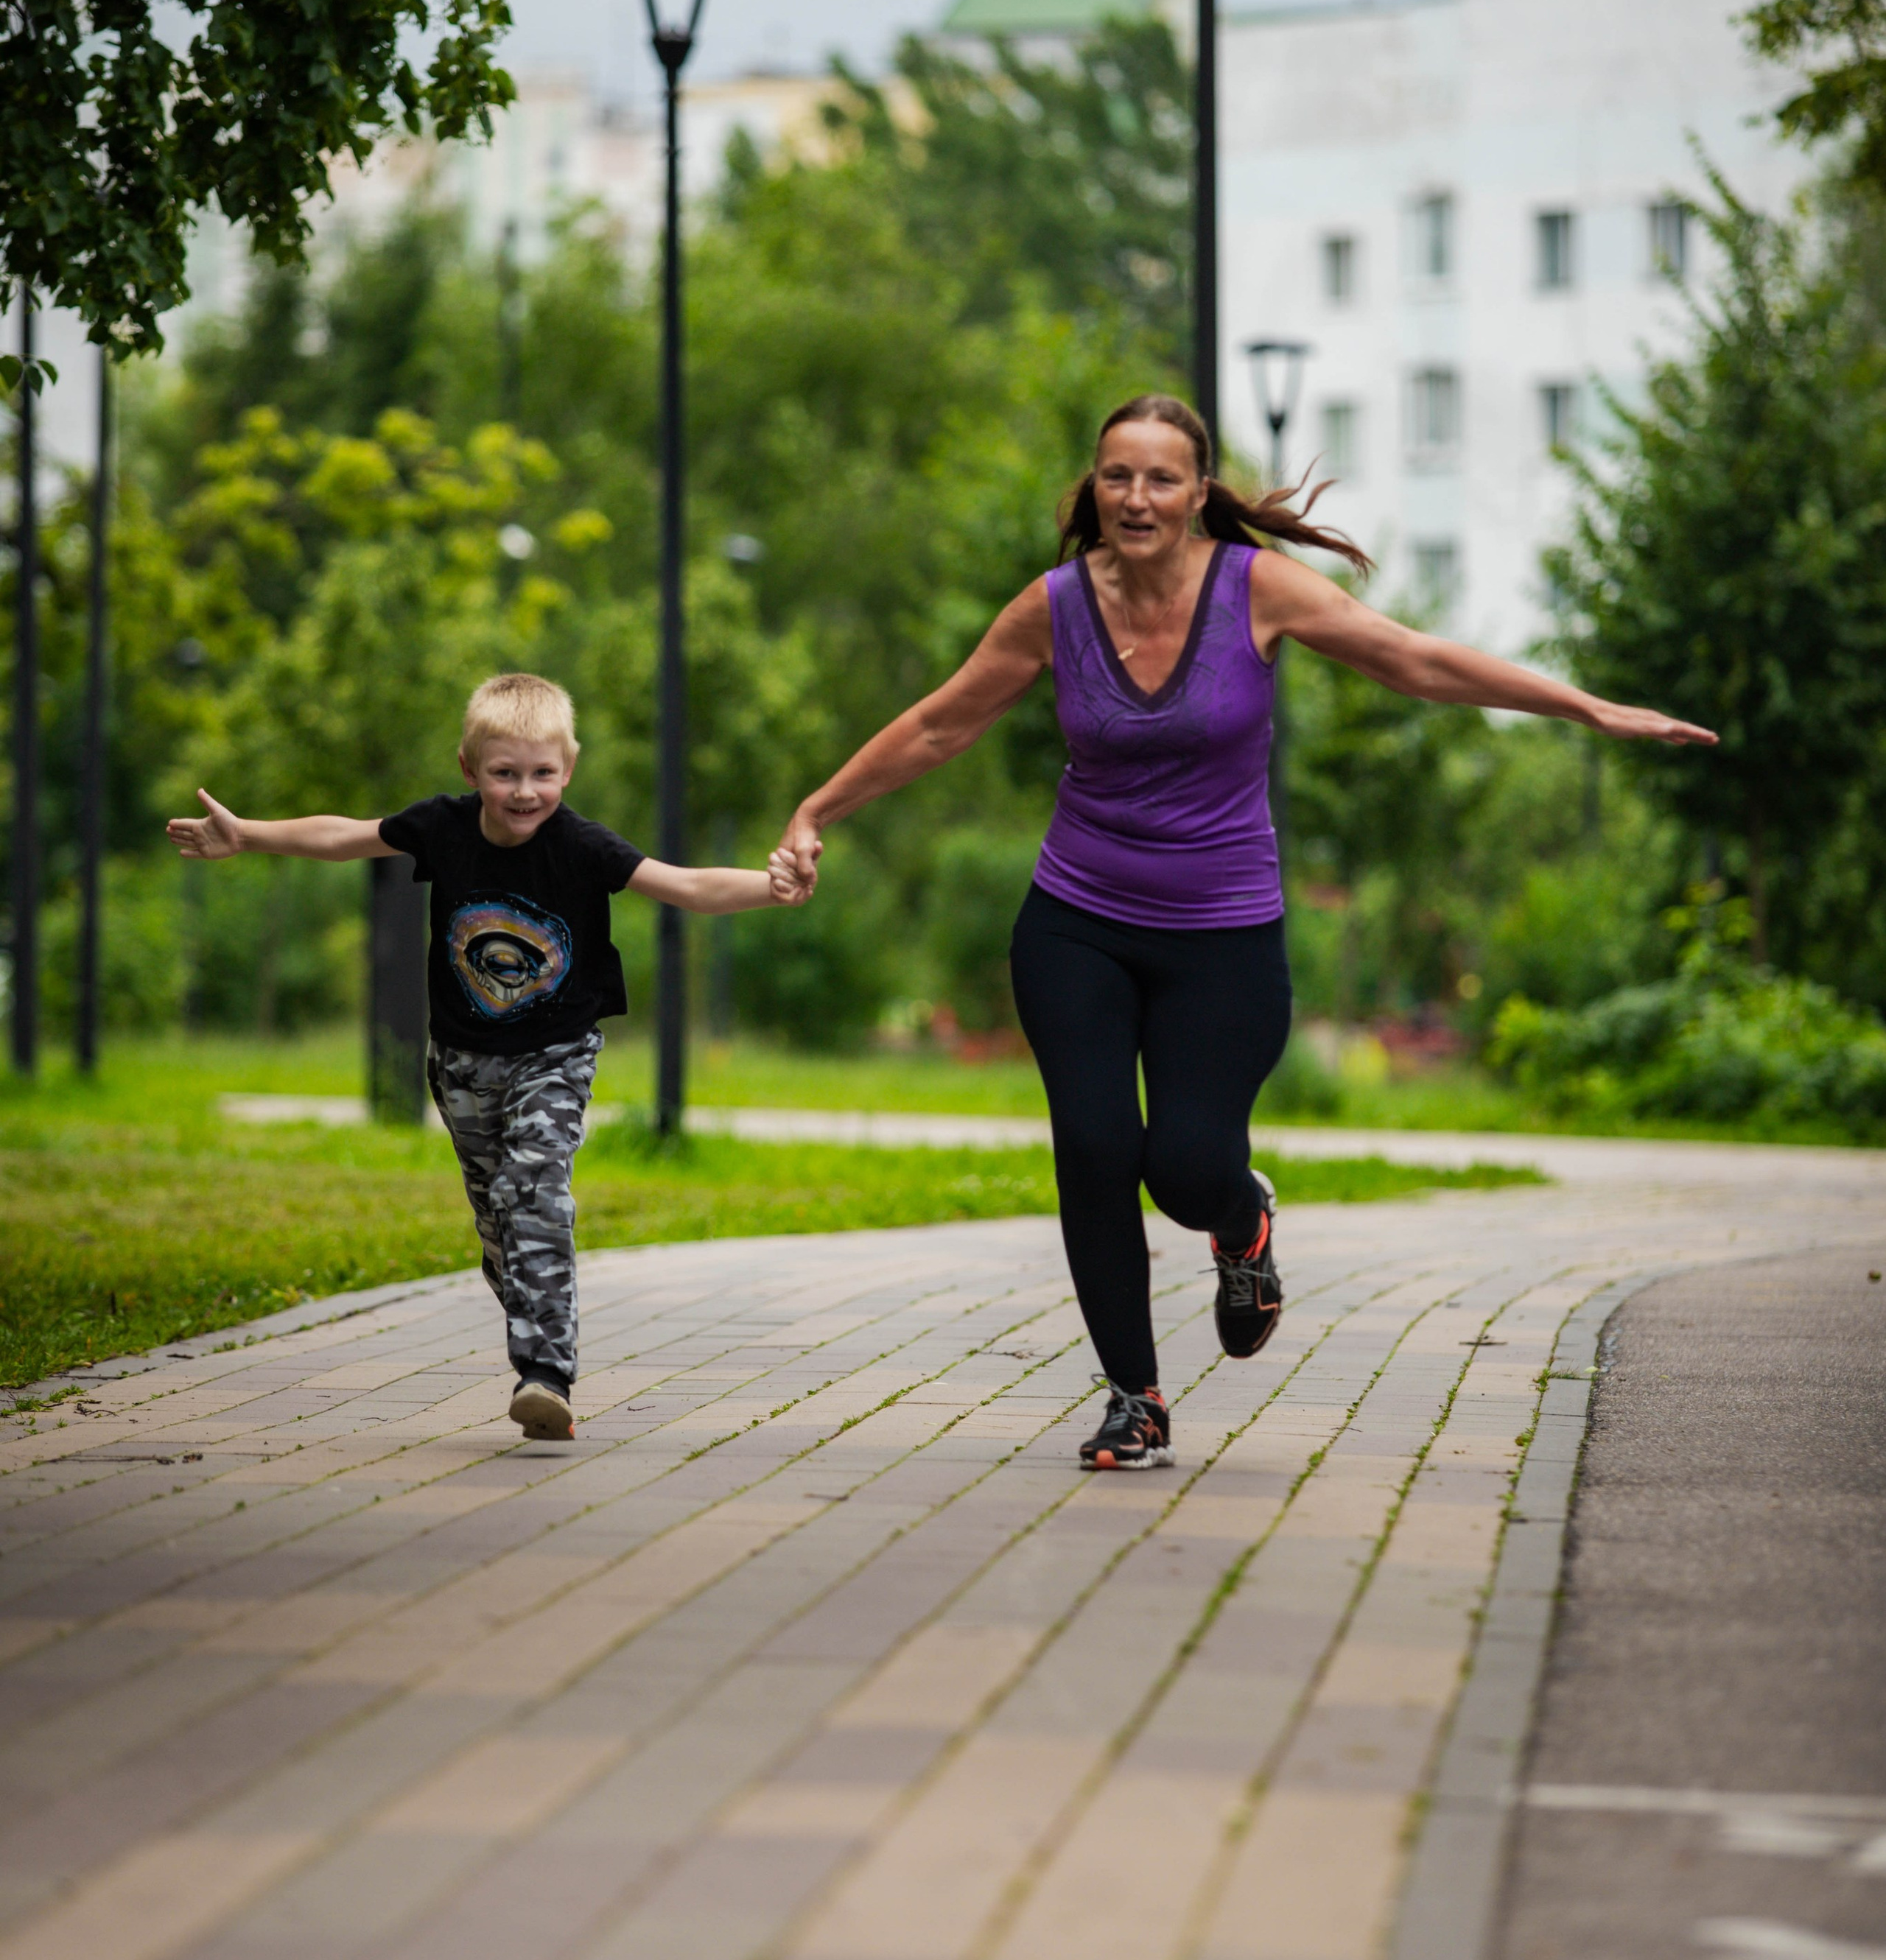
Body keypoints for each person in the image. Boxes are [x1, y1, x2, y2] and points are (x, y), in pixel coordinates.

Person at [777, 393, 1715, 1472]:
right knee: (1093, 1150)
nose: (1136, 497)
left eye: (1160, 478)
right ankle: (1135, 1398)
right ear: (1092, 488)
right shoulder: (1053, 607)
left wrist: (1588, 708)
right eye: (1117, 475)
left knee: (1186, 1169)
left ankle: (1241, 1221)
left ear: (1197, 494)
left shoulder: (1255, 589)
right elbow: (941, 722)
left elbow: (1412, 659)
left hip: (1222, 935)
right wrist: (817, 810)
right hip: (1076, 920)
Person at [167, 671, 810, 1442]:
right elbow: (345, 837)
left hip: (556, 1054)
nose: (525, 792)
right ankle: (527, 1291)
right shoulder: (441, 828)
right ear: (470, 768)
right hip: (462, 1063)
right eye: (505, 773)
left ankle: (545, 1375)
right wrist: (248, 834)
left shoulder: (582, 846)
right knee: (503, 1221)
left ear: (569, 769)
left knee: (534, 1186)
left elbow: (687, 886)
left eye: (542, 773)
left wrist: (770, 889)